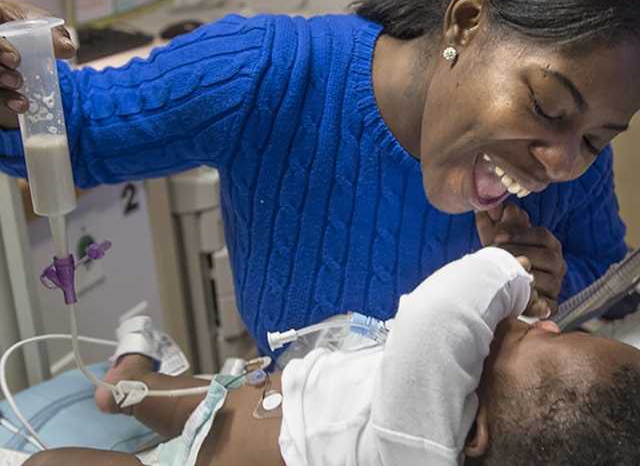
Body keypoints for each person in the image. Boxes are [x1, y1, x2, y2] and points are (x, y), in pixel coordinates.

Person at [0, 0, 638, 353]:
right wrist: (14, 76)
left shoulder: (575, 171)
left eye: (595, 138)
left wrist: (548, 285)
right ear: (467, 21)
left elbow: (609, 284)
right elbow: (72, 129)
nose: (561, 163)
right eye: (547, 107)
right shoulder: (266, 74)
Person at [21, 248, 640, 466]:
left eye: (544, 341)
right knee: (180, 397)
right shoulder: (435, 404)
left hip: (203, 459)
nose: (547, 324)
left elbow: (440, 314)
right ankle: (132, 383)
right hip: (239, 397)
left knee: (61, 465)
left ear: (473, 431)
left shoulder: (422, 444)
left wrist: (512, 272)